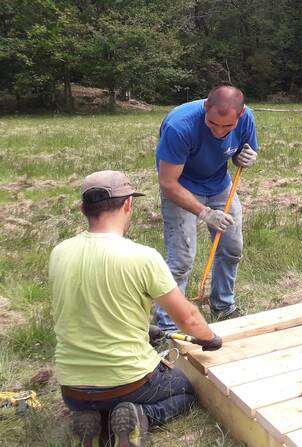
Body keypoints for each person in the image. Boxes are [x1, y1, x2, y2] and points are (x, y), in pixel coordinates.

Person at [50, 170, 222, 447]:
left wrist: (144, 328)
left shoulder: (59, 252)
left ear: (84, 209)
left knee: (99, 400)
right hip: (127, 382)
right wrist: (209, 338)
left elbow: (88, 307)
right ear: (129, 204)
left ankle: (96, 424)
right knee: (185, 392)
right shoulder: (142, 257)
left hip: (73, 390)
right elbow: (188, 317)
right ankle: (143, 415)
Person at [153, 84, 258, 331]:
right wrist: (204, 212)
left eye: (227, 127)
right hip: (181, 187)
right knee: (181, 259)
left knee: (232, 248)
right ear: (205, 109)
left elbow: (240, 152)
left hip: (219, 185)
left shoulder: (246, 118)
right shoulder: (180, 126)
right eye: (213, 124)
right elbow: (167, 183)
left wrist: (246, 158)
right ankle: (168, 325)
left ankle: (223, 305)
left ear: (240, 116)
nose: (220, 132)